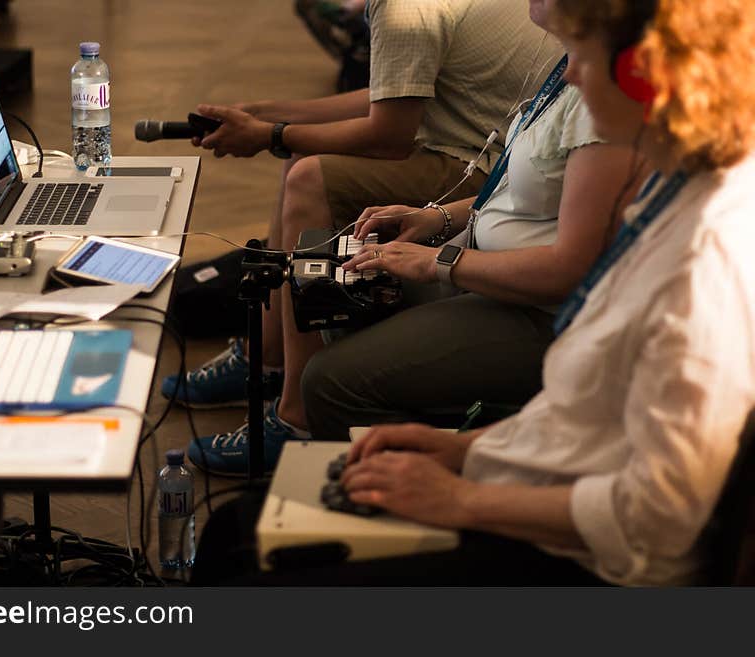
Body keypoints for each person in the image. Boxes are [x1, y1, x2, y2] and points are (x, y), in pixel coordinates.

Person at [194, 0, 755, 586]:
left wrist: (458, 498)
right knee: (238, 529)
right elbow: (586, 414)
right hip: (535, 481)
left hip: (584, 559)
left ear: (641, 74)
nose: (569, 75)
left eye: (584, 59)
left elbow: (655, 521)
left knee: (239, 550)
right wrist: (465, 452)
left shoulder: (704, 264)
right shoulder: (672, 189)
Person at [182, 0, 641, 475]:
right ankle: (277, 368)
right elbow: (524, 193)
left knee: (328, 371)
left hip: (537, 306)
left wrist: (437, 262)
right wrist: (439, 219)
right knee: (336, 295)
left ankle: (321, 436)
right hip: (483, 247)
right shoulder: (570, 67)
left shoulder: (598, 98)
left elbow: (390, 132)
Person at [163, 0, 561, 408]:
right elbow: (391, 93)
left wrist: (271, 135)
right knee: (301, 165)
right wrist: (265, 117)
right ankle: (267, 357)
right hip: (495, 159)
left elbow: (389, 135)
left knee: (309, 177)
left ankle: (295, 409)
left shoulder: (401, 7)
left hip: (484, 169)